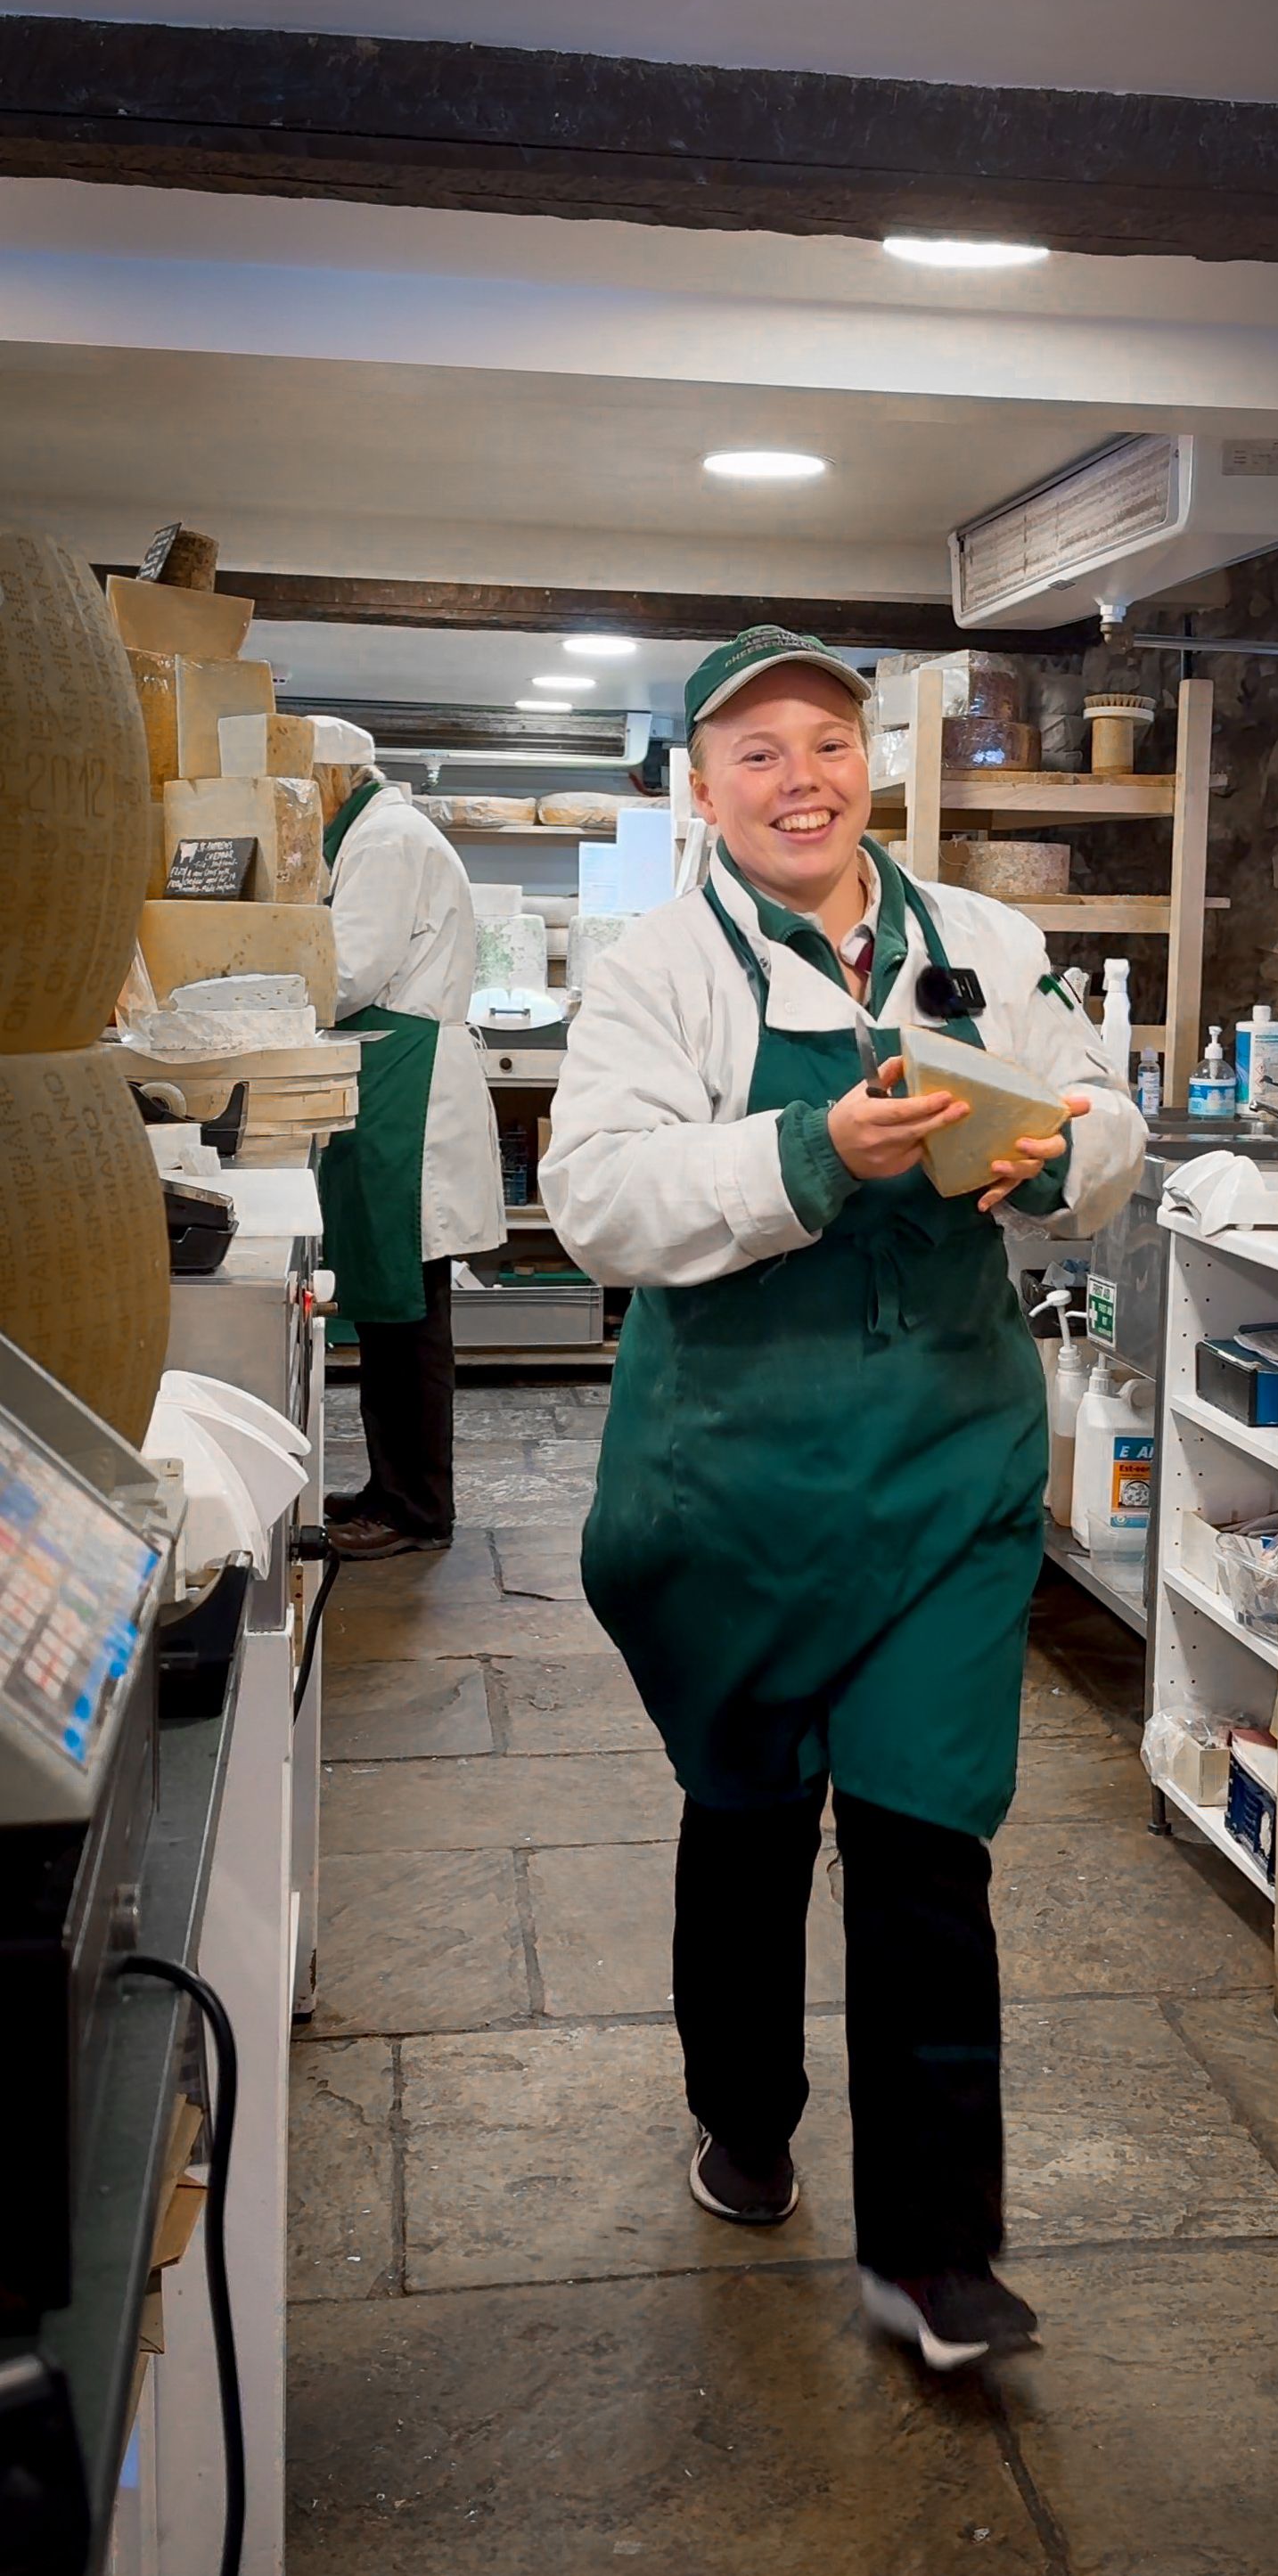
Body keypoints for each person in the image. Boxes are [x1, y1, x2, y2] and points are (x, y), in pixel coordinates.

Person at [541, 628, 1144, 2368]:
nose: (798, 778)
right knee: (744, 1830)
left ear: (864, 762)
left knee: (920, 1841)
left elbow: (1103, 1118)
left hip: (944, 1465)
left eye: (826, 742)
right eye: (756, 752)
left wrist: (1065, 1152)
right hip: (730, 1481)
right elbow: (594, 1202)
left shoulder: (983, 943)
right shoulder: (657, 970)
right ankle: (745, 2115)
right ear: (705, 785)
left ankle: (933, 2255)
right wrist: (809, 1153)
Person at [312, 716, 504, 1560]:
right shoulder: (374, 832)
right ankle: (394, 1484)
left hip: (409, 1085)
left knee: (410, 1309)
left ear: (331, 779)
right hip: (395, 1078)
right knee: (395, 1313)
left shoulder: (386, 838)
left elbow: (351, 970)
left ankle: (417, 1506)